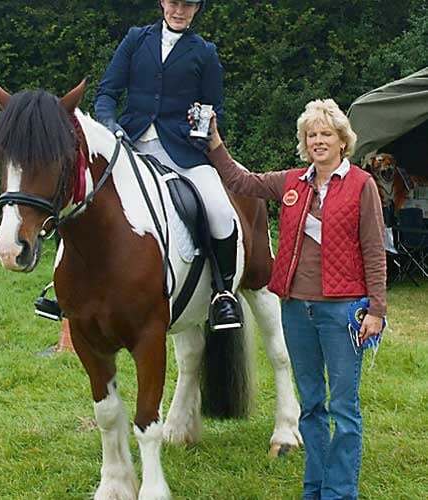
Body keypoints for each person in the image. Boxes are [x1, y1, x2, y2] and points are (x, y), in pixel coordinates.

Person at [203, 99, 387, 499]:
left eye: (326, 134)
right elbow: (241, 181)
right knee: (312, 407)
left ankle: (340, 492)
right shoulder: (291, 182)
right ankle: (315, 488)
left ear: (342, 141)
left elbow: (374, 250)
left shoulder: (362, 185)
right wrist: (214, 141)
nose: (318, 140)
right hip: (296, 309)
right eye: (311, 135)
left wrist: (376, 309)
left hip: (343, 311)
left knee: (344, 410)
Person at [91, 0, 241, 331]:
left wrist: (202, 125)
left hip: (182, 151)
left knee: (220, 211)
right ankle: (69, 288)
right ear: (162, 2)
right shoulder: (136, 39)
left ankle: (223, 293)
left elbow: (215, 107)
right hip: (131, 147)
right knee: (84, 196)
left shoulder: (204, 52)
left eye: (188, 5)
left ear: (197, 8)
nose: (179, 11)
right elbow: (107, 93)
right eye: (174, 2)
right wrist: (110, 124)